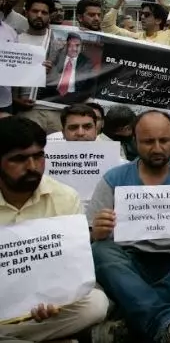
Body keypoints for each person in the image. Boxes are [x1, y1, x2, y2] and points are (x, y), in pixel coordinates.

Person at [86, 111, 170, 342]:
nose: (157, 148)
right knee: (100, 250)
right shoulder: (113, 179)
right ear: (134, 141)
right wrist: (98, 232)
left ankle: (132, 317)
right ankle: (166, 322)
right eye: (148, 141)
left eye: (164, 140)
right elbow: (91, 236)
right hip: (129, 264)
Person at [0, 117, 109, 342]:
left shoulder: (65, 197)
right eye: (19, 159)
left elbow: (67, 267)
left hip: (47, 304)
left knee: (96, 304)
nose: (32, 167)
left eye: (38, 156)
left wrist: (52, 298)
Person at [14, 0, 57, 129]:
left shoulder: (59, 42)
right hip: (27, 110)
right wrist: (15, 100)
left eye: (44, 12)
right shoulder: (15, 40)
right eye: (35, 11)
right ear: (26, 13)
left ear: (49, 16)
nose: (39, 15)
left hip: (56, 110)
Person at [40, 32, 95, 105]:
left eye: (77, 45)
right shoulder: (55, 56)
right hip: (51, 95)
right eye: (70, 45)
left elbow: (89, 86)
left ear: (81, 46)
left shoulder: (86, 62)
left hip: (74, 99)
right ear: (65, 46)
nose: (74, 49)